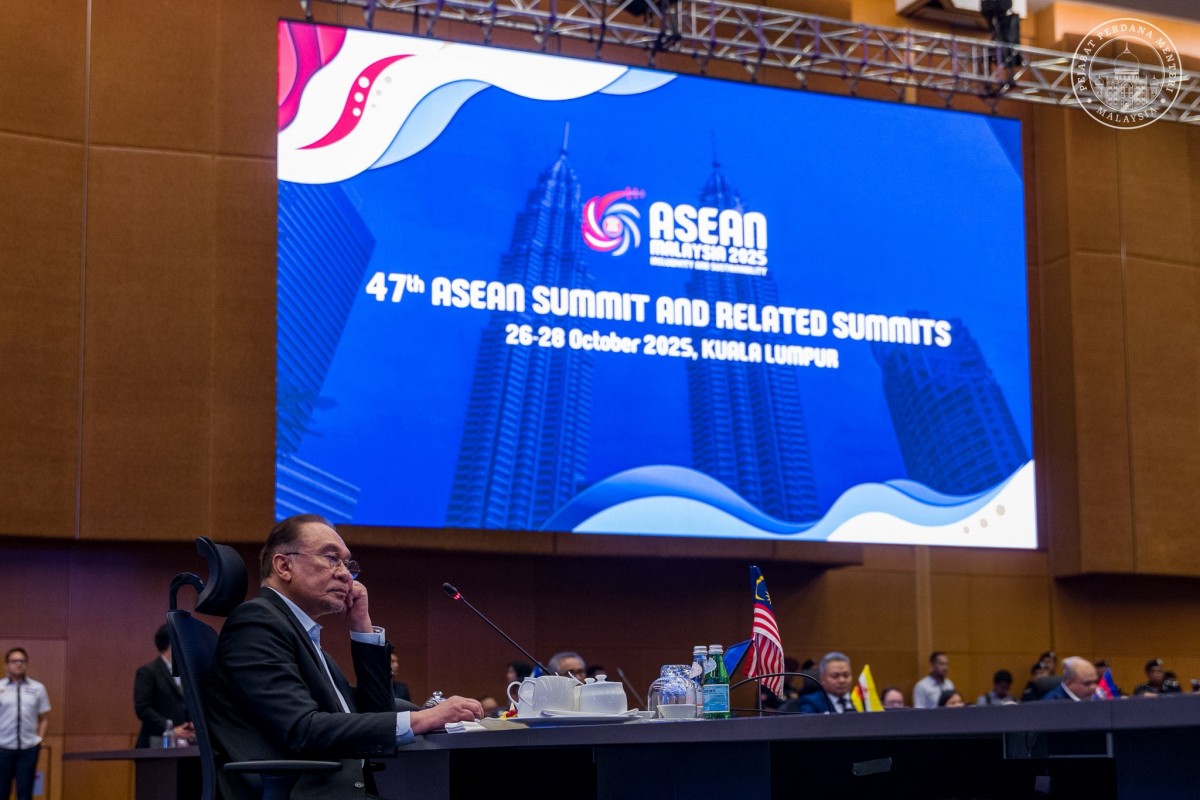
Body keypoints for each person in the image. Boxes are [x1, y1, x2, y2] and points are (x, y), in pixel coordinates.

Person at [206, 514, 483, 800]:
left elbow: (375, 712)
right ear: (284, 566)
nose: (345, 575)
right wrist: (421, 719)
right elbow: (303, 729)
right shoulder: (256, 623)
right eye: (331, 558)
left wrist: (362, 627)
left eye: (347, 564)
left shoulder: (298, 633)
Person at [0, 648, 51, 800]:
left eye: (22, 661)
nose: (19, 664)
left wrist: (40, 740)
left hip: (28, 749)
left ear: (27, 664)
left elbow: (44, 718)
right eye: (14, 661)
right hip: (3, 748)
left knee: (25, 793)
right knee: (2, 792)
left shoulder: (38, 688)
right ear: (7, 664)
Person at [134, 624, 193, 747]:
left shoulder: (187, 674)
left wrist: (192, 724)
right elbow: (143, 708)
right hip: (156, 743)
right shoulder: (148, 672)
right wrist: (169, 728)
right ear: (172, 643)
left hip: (184, 744)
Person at [779, 652, 855, 714]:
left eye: (846, 675)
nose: (842, 680)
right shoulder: (811, 702)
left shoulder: (859, 700)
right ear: (822, 679)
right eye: (835, 676)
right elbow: (807, 726)